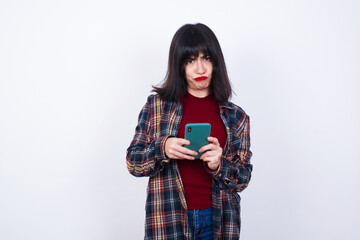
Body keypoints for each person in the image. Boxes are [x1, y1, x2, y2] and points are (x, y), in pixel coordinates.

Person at [126, 23, 253, 240]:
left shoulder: (237, 117)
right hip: (168, 219)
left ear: (216, 62)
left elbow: (243, 178)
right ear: (179, 66)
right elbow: (133, 163)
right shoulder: (156, 107)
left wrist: (219, 164)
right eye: (190, 60)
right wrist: (162, 148)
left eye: (207, 58)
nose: (200, 69)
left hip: (217, 221)